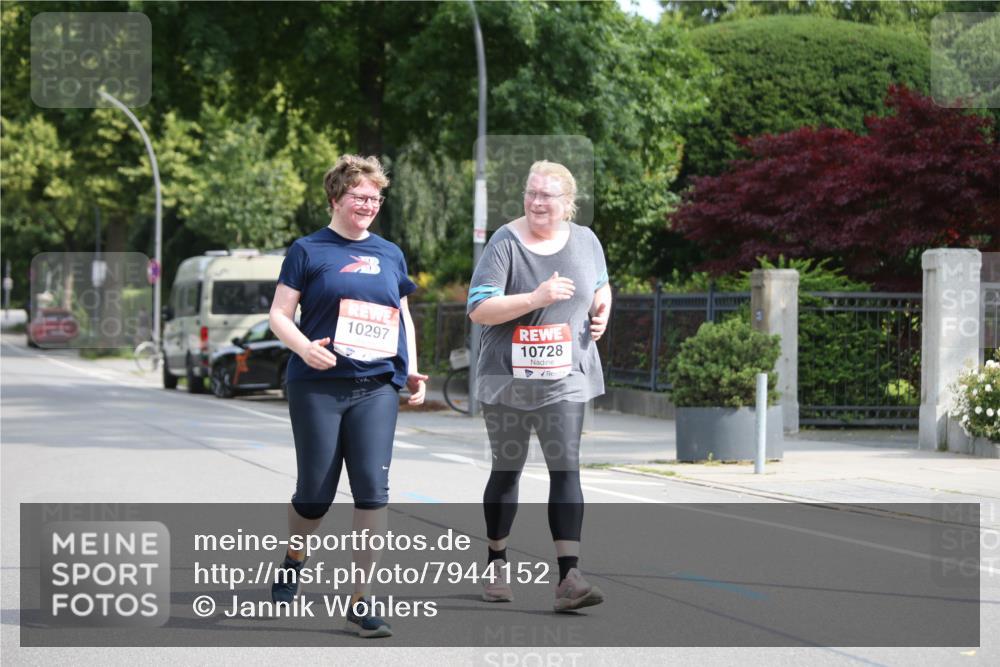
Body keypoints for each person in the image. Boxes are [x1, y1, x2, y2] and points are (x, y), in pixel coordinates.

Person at [268, 154, 427, 638]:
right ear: (336, 197)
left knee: (372, 492)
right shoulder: (307, 250)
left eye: (375, 198)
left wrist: (413, 369)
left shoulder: (390, 253)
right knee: (314, 494)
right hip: (316, 386)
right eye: (359, 196)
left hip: (375, 385)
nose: (368, 204)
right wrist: (303, 348)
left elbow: (402, 313)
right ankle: (296, 554)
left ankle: (361, 601)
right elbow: (278, 314)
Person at [467, 160, 612, 612]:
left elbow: (602, 286)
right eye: (531, 193)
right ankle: (496, 560)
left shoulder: (587, 241)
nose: (535, 202)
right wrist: (535, 298)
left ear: (567, 203)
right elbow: (479, 309)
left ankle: (569, 576)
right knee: (507, 471)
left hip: (565, 376)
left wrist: (604, 308)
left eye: (546, 195)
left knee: (565, 468)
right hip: (508, 378)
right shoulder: (505, 243)